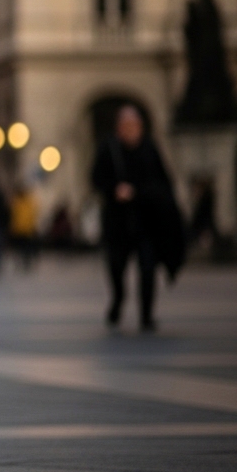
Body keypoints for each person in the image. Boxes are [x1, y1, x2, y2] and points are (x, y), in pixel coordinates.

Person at [91, 105, 186, 332]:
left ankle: (146, 314)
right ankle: (118, 299)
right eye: (126, 126)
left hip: (147, 222)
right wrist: (114, 190)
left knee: (148, 269)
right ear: (118, 128)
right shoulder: (108, 149)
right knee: (116, 267)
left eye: (134, 126)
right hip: (118, 222)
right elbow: (95, 178)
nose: (130, 130)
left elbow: (164, 183)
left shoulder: (150, 149)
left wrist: (139, 192)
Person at [8, 183, 40, 272]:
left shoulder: (26, 202)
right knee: (20, 248)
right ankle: (21, 262)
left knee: (25, 248)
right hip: (19, 229)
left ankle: (26, 262)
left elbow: (32, 215)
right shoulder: (17, 202)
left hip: (26, 229)